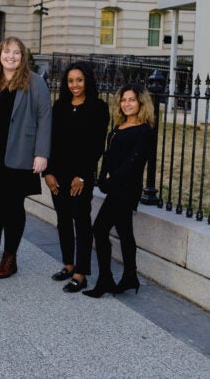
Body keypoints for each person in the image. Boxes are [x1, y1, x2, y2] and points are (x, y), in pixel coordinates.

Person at [0, 36, 51, 279]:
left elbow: (44, 118)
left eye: (17, 53)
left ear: (23, 57)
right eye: (7, 52)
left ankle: (10, 257)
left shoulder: (35, 82)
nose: (11, 57)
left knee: (13, 206)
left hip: (20, 153)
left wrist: (41, 153)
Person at [84, 84, 154, 298]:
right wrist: (103, 177)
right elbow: (108, 155)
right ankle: (130, 276)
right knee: (125, 232)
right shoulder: (119, 127)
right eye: (124, 100)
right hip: (115, 187)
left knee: (99, 229)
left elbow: (133, 163)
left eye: (132, 100)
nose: (127, 104)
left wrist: (112, 182)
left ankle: (105, 279)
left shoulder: (144, 130)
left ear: (141, 103)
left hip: (126, 189)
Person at [44, 62, 109, 293]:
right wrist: (48, 172)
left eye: (79, 80)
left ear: (87, 80)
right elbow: (50, 141)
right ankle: (68, 265)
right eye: (71, 81)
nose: (75, 85)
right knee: (62, 220)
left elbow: (96, 145)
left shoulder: (98, 107)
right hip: (58, 174)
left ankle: (81, 272)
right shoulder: (60, 106)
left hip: (81, 176)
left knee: (81, 221)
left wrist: (82, 175)